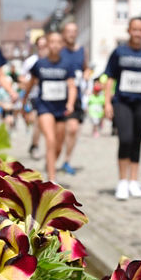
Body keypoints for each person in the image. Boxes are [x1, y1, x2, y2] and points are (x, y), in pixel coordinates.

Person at [104, 17, 141, 200]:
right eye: (134, 29)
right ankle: (122, 181)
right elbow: (110, 78)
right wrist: (107, 102)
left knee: (137, 140)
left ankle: (134, 181)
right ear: (129, 30)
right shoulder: (119, 52)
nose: (137, 33)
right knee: (126, 138)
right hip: (122, 102)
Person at [23, 31, 75, 181]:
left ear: (62, 45)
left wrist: (70, 103)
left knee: (58, 144)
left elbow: (71, 86)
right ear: (47, 44)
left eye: (58, 42)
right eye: (52, 42)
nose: (55, 45)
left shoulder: (67, 64)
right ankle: (52, 178)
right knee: (50, 140)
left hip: (61, 108)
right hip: (44, 107)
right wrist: (23, 102)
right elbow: (30, 85)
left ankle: (50, 161)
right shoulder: (40, 64)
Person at [58, 21, 88, 175]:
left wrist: (87, 74)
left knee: (73, 129)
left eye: (74, 30)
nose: (72, 33)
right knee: (61, 131)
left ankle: (67, 160)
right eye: (69, 30)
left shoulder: (82, 50)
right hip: (57, 96)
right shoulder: (59, 50)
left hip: (76, 95)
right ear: (63, 33)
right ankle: (55, 154)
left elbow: (85, 68)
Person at [22, 35, 48, 159]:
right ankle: (35, 145)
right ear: (37, 47)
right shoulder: (31, 61)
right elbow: (22, 77)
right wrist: (31, 81)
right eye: (40, 46)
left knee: (42, 122)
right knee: (37, 121)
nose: (42, 48)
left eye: (45, 45)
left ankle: (35, 145)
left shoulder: (51, 61)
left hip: (48, 96)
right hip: (34, 95)